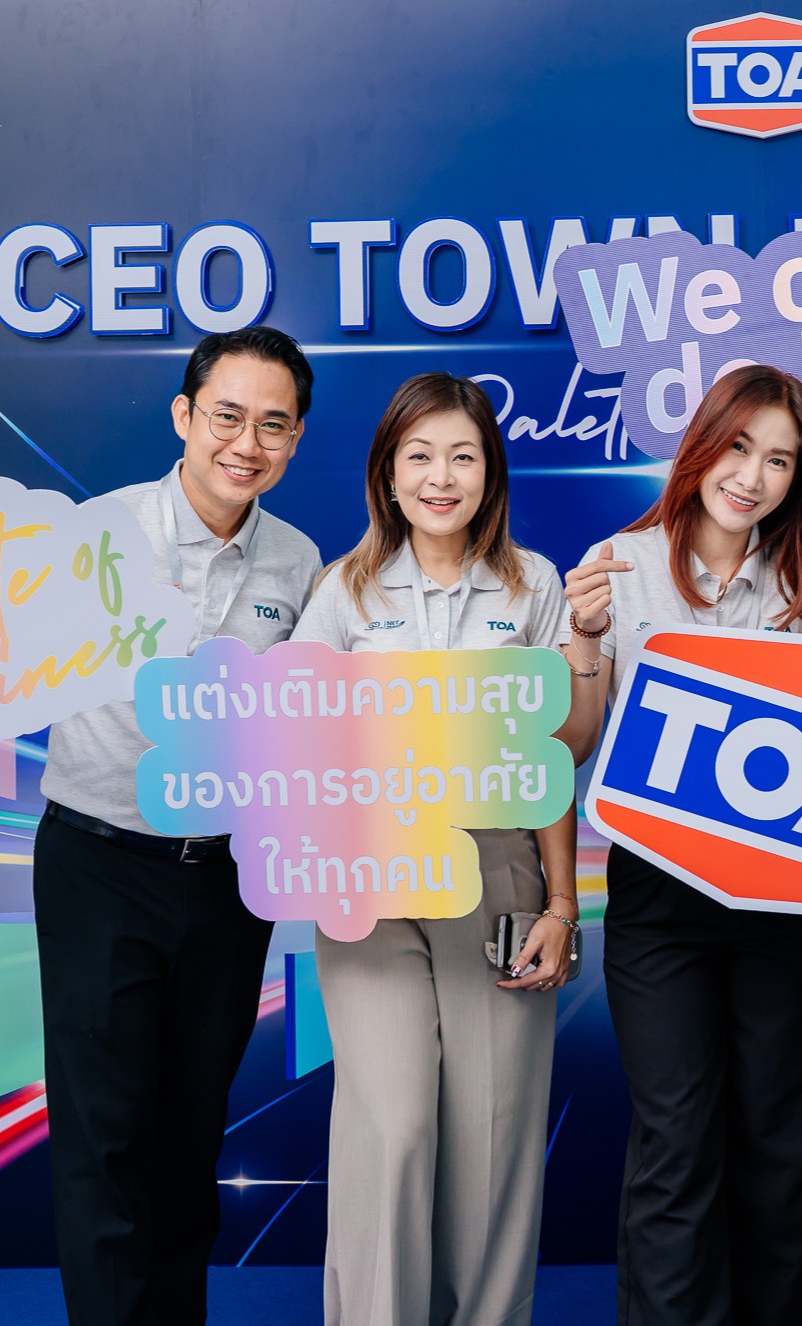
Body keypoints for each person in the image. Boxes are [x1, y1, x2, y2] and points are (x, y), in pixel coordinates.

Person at [34, 326, 323, 1326]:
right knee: (104, 1134)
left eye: (273, 425)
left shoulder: (298, 560)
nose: (247, 444)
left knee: (191, 1131)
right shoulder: (95, 535)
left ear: (295, 440)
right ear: (183, 416)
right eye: (227, 417)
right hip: (100, 860)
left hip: (229, 875)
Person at [287, 372, 579, 1326]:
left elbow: (551, 760)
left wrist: (561, 905)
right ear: (388, 472)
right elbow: (289, 739)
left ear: (490, 471)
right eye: (419, 456)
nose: (440, 477)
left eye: (462, 456)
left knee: (494, 1134)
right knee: (394, 1125)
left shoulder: (535, 586)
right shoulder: (343, 589)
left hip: (499, 872)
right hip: (370, 877)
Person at [558, 363, 802, 1326]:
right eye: (738, 447)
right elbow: (575, 743)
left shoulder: (801, 578)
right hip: (662, 897)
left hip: (785, 898)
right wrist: (584, 640)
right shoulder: (620, 562)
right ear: (700, 446)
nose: (752, 477)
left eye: (779, 460)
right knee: (678, 1139)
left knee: (779, 1140)